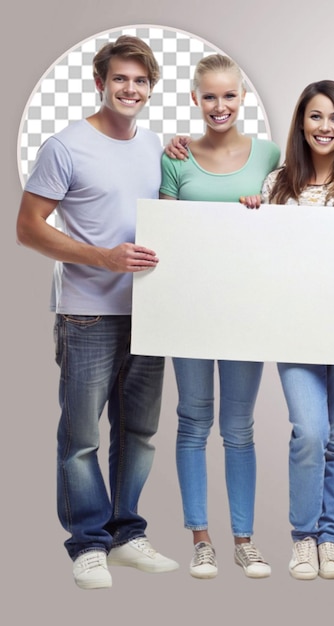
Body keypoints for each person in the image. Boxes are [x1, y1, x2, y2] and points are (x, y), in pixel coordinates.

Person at [15, 35, 179, 590]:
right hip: (87, 314)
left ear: (151, 88)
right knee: (82, 436)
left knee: (140, 433)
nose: (130, 89)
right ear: (100, 83)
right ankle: (87, 542)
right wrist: (102, 258)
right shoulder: (66, 147)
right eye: (120, 79)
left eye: (140, 81)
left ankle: (127, 533)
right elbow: (28, 228)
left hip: (150, 313)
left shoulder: (155, 145)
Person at [242, 79, 334, 580]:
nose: (325, 127)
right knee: (310, 431)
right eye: (316, 117)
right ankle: (303, 537)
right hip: (295, 331)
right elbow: (264, 262)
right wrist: (251, 220)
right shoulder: (277, 185)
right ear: (301, 123)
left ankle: (332, 538)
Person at [159, 53, 280, 580]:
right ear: (195, 99)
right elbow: (163, 233)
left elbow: (295, 216)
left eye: (229, 95)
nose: (219, 105)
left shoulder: (270, 155)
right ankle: (201, 540)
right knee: (192, 422)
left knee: (239, 428)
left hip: (245, 312)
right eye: (209, 96)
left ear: (243, 98)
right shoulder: (176, 158)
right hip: (187, 309)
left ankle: (245, 542)